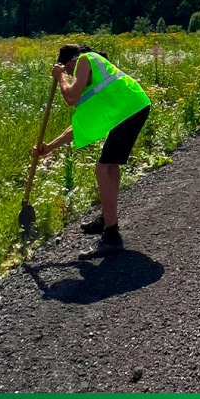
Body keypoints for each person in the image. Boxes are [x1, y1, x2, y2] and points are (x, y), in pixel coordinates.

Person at [32, 44, 151, 259]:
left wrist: (60, 77)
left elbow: (70, 98)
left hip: (130, 110)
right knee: (110, 166)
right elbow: (78, 125)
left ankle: (111, 237)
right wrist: (50, 146)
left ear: (70, 61)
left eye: (67, 69)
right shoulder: (91, 79)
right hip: (130, 109)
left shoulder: (85, 60)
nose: (71, 75)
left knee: (103, 170)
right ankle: (107, 218)